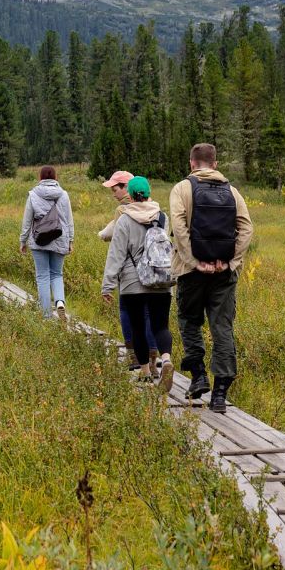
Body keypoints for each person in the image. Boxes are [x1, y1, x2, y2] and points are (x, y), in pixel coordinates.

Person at [169, 143, 254, 414]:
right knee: (222, 328)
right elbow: (246, 228)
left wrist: (194, 261)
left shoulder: (182, 189)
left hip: (190, 272)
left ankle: (198, 376)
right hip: (224, 274)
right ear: (215, 164)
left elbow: (179, 227)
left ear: (192, 163)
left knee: (189, 320)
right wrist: (230, 262)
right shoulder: (232, 191)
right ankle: (219, 394)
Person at [101, 176, 174, 391]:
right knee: (161, 325)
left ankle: (145, 372)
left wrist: (108, 285)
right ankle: (167, 360)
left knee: (138, 327)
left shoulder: (124, 219)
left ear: (130, 195)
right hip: (161, 279)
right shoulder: (162, 217)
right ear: (149, 192)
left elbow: (116, 255)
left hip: (133, 283)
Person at [99, 170, 159, 370]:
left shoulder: (122, 211)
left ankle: (134, 355)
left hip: (130, 273)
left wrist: (107, 284)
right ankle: (152, 354)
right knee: (149, 314)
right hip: (154, 271)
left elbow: (116, 242)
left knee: (127, 311)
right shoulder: (155, 208)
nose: (113, 193)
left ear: (127, 188)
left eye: (115, 189)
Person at [19, 165, 75, 318]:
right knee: (57, 273)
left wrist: (23, 241)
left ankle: (46, 314)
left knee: (42, 276)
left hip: (39, 240)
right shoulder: (63, 195)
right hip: (60, 237)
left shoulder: (33, 195)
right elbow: (69, 220)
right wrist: (70, 240)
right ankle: (59, 302)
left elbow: (27, 221)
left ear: (40, 178)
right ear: (55, 178)